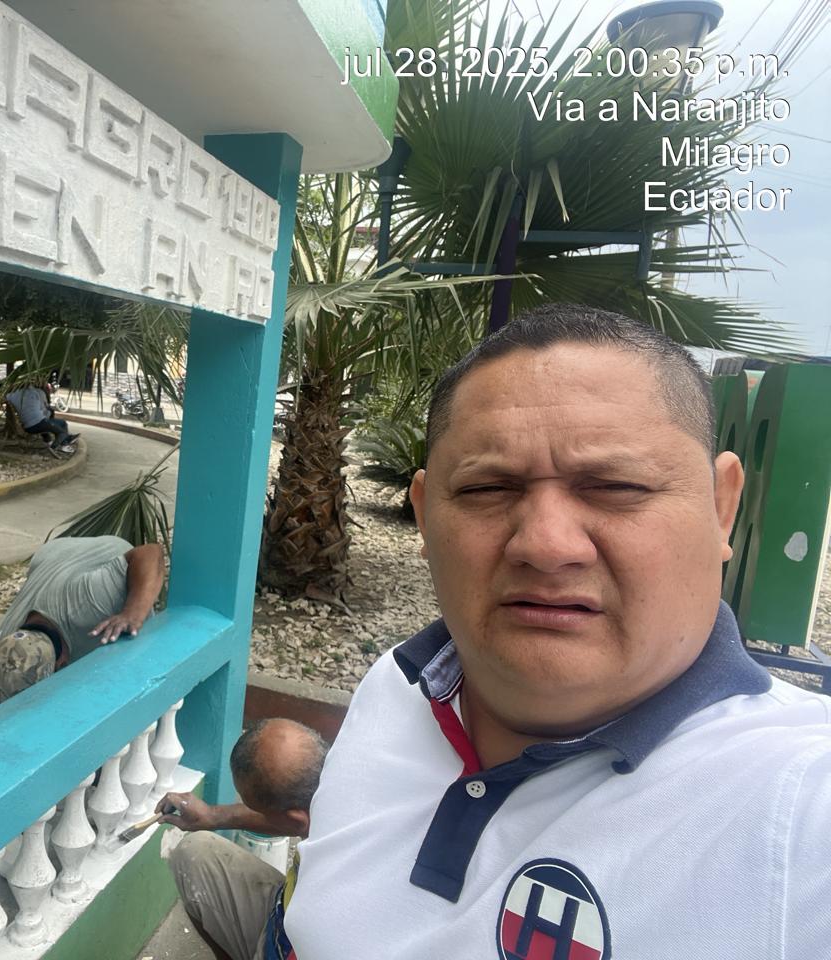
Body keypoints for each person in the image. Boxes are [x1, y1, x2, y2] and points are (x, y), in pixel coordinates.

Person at [285, 304, 831, 959]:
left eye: (616, 485)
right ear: (425, 515)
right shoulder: (398, 684)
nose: (545, 545)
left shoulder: (800, 811)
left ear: (721, 507)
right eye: (488, 488)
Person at [158, 719, 327, 960]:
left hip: (294, 949)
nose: (259, 817)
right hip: (282, 915)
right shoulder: (336, 784)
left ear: (297, 820)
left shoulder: (343, 900)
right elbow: (297, 820)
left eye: (263, 813)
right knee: (196, 854)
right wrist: (213, 816)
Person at [0, 536, 164, 703]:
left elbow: (151, 553)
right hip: (50, 556)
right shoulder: (3, 643)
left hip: (103, 551)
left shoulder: (92, 600)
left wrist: (132, 614)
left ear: (62, 663)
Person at [5, 378, 78, 451]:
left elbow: (4, 397)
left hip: (27, 427)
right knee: (62, 430)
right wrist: (49, 415)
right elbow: (44, 410)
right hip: (39, 423)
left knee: (55, 423)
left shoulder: (12, 395)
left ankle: (54, 441)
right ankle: (56, 446)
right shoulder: (36, 392)